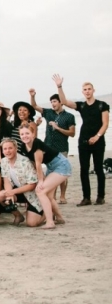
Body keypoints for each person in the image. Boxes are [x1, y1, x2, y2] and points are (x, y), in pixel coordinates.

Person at [52, 74, 108, 206]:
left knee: (99, 168)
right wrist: (59, 86)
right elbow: (64, 101)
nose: (87, 91)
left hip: (98, 140)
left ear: (93, 90)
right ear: (82, 92)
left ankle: (100, 196)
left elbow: (105, 124)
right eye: (85, 89)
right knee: (84, 169)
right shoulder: (81, 106)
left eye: (89, 89)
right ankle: (86, 197)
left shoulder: (102, 105)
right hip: (83, 141)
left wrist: (97, 136)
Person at [30, 90, 76, 205]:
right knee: (51, 172)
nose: (53, 104)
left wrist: (58, 128)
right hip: (48, 147)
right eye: (51, 102)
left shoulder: (69, 116)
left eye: (55, 101)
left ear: (61, 102)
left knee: (62, 174)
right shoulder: (48, 113)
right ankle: (53, 196)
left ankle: (63, 196)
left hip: (62, 147)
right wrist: (32, 96)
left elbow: (72, 133)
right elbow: (34, 106)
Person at [18, 126, 69, 229]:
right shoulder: (24, 146)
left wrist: (41, 181)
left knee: (40, 191)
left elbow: (38, 164)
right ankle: (59, 218)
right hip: (51, 167)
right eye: (22, 134)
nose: (25, 136)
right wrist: (40, 177)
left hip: (61, 165)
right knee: (49, 196)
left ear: (33, 134)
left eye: (27, 133)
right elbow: (32, 163)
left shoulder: (37, 143)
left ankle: (50, 222)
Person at [0, 138, 43, 227]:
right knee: (0, 195)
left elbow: (32, 185)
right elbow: (6, 181)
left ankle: (46, 213)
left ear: (16, 148)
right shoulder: (3, 161)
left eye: (10, 148)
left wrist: (13, 192)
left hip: (31, 194)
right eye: (5, 149)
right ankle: (18, 215)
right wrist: (9, 194)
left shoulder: (25, 161)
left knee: (31, 223)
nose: (7, 151)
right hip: (18, 191)